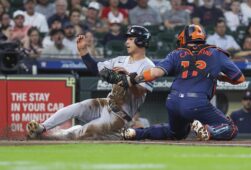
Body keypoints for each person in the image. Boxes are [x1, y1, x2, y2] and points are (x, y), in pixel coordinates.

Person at [26, 25, 155, 140]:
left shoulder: (148, 66)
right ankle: (42, 127)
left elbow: (139, 93)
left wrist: (128, 78)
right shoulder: (121, 60)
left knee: (85, 132)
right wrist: (84, 52)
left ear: (141, 41)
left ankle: (50, 138)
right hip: (107, 104)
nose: (127, 41)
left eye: (131, 39)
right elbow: (96, 69)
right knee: (78, 107)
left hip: (119, 117)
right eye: (127, 38)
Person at [121, 24, 245, 141]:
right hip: (196, 103)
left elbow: (155, 73)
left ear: (183, 39)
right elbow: (239, 79)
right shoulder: (216, 53)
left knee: (176, 133)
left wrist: (134, 79)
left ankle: (136, 133)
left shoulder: (176, 54)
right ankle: (208, 131)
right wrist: (223, 78)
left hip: (173, 101)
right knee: (231, 128)